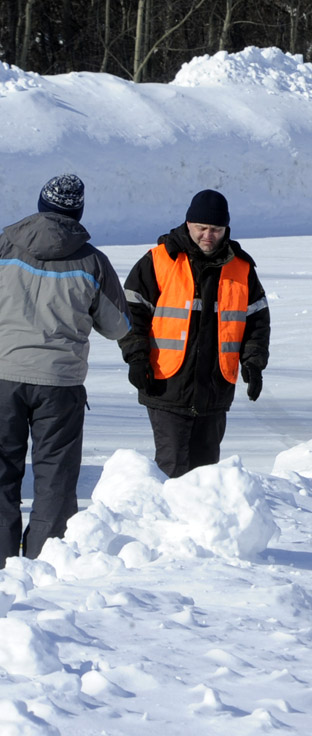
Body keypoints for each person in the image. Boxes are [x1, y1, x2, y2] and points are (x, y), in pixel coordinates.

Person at [0, 175, 130, 560]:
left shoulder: (4, 244)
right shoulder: (93, 261)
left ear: (41, 204)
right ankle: (43, 563)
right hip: (59, 385)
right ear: (78, 211)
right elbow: (118, 326)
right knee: (54, 478)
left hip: (2, 377)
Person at [119, 189, 270, 478]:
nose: (208, 236)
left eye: (216, 229)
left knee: (205, 476)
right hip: (166, 385)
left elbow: (257, 323)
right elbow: (130, 314)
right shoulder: (159, 260)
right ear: (188, 224)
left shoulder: (241, 268)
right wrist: (137, 358)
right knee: (172, 469)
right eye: (201, 228)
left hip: (215, 389)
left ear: (226, 229)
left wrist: (253, 363)